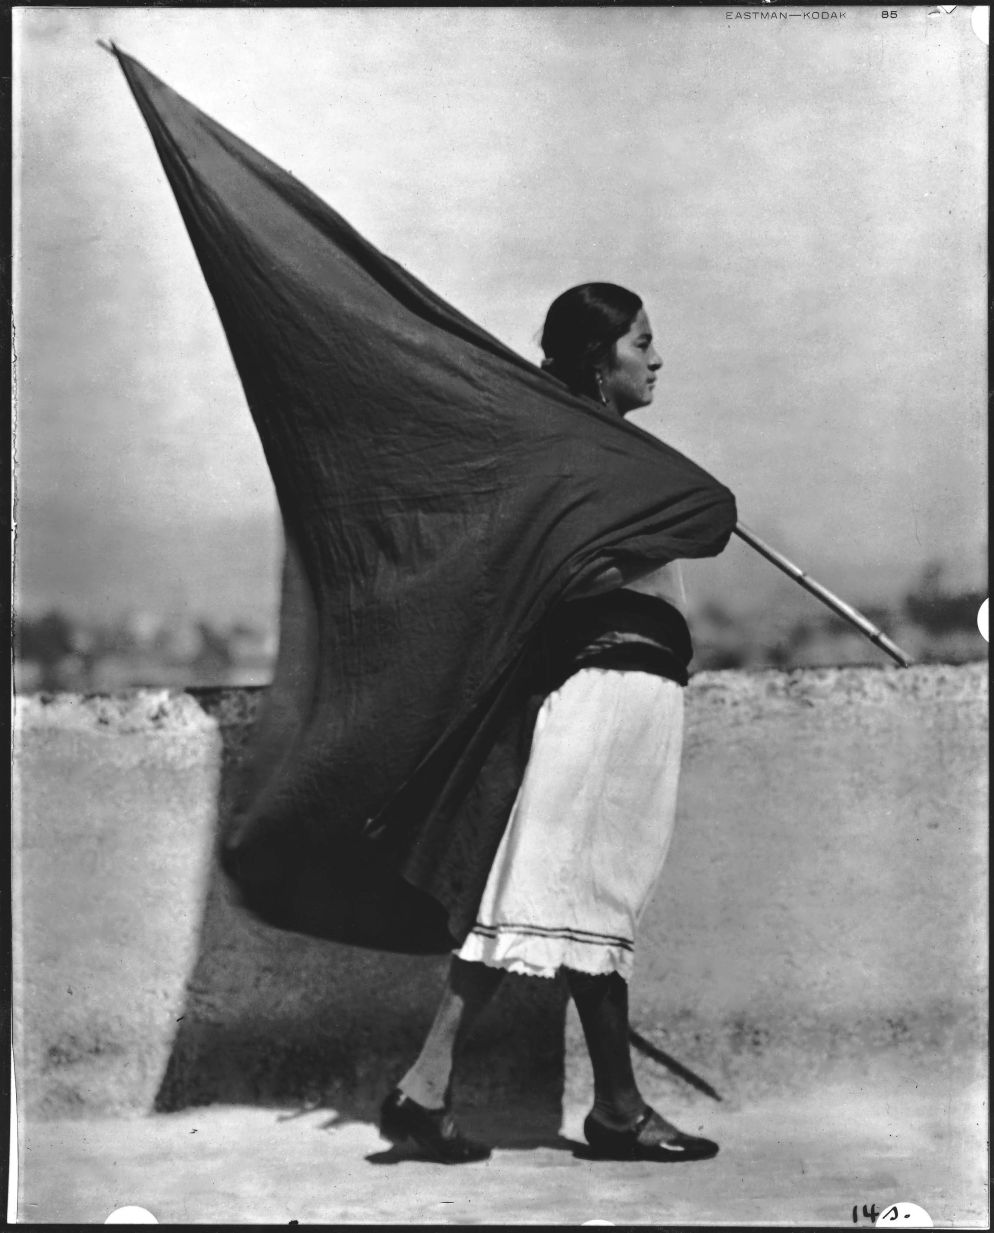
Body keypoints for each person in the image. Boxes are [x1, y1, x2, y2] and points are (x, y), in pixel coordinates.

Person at [378, 283, 722, 1165]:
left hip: (628, 691)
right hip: (605, 691)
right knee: (568, 895)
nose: (656, 357)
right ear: (599, 361)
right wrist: (673, 498)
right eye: (641, 342)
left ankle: (452, 1092)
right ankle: (600, 1109)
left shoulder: (600, 454)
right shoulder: (580, 458)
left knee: (552, 898)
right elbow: (682, 527)